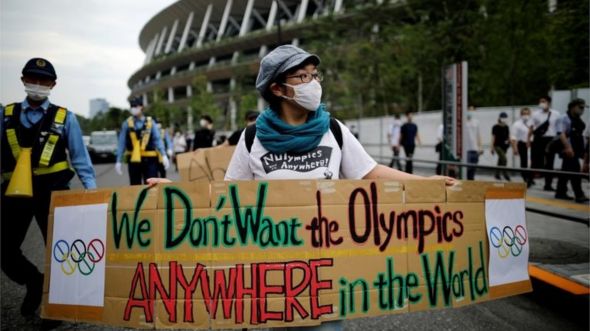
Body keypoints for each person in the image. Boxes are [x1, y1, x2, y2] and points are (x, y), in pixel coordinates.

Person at [146, 45, 455, 330]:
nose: (313, 83)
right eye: (302, 76)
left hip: (325, 272)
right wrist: (175, 192)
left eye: (314, 75)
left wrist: (425, 183)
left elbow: (370, 173)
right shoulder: (252, 137)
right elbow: (227, 197)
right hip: (269, 277)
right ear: (277, 88)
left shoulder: (333, 130)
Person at [0, 58, 96, 320]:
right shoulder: (5, 115)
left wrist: (92, 192)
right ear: (23, 80)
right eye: (33, 79)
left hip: (53, 192)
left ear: (53, 84)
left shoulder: (65, 117)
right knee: (5, 250)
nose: (38, 85)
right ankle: (35, 282)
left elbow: (80, 159)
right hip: (12, 193)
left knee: (59, 251)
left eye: (44, 81)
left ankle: (55, 308)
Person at [115, 97, 169, 185]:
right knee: (135, 187)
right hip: (133, 161)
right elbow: (121, 143)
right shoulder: (126, 124)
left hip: (150, 161)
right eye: (132, 106)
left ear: (141, 107)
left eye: (135, 106)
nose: (133, 108)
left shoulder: (150, 122)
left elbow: (158, 140)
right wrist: (118, 160)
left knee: (152, 186)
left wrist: (163, 155)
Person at [554, 99, 588, 202]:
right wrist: (568, 148)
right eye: (580, 107)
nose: (582, 110)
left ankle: (560, 192)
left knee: (566, 171)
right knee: (575, 171)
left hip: (576, 149)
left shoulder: (577, 119)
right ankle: (579, 194)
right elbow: (561, 134)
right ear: (573, 107)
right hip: (568, 149)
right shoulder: (563, 118)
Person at [530, 95, 560, 190]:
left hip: (550, 139)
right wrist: (528, 139)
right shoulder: (535, 114)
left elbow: (558, 128)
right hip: (538, 139)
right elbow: (531, 127)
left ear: (549, 102)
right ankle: (530, 180)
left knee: (550, 162)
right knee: (535, 160)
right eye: (540, 101)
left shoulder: (556, 114)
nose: (541, 103)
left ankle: (548, 184)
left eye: (543, 101)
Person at [511, 107, 533, 187]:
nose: (526, 115)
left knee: (532, 162)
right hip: (522, 144)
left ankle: (530, 178)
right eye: (524, 114)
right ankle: (525, 178)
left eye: (527, 113)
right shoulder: (517, 124)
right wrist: (515, 148)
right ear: (521, 114)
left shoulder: (532, 123)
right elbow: (513, 137)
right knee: (524, 162)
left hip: (532, 144)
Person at [491, 112, 511, 181]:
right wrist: (492, 147)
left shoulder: (506, 127)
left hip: (505, 146)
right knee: (504, 159)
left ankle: (497, 174)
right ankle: (505, 174)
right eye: (503, 117)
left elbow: (508, 136)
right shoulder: (495, 127)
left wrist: (509, 142)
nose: (504, 119)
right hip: (497, 146)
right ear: (499, 118)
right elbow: (493, 137)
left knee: (500, 160)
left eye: (505, 117)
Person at [465, 106, 483, 180]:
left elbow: (478, 135)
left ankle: (470, 184)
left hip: (475, 149)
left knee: (473, 170)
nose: (471, 112)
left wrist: (480, 147)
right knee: (467, 169)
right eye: (469, 110)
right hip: (466, 150)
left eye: (472, 110)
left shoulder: (476, 122)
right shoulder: (463, 121)